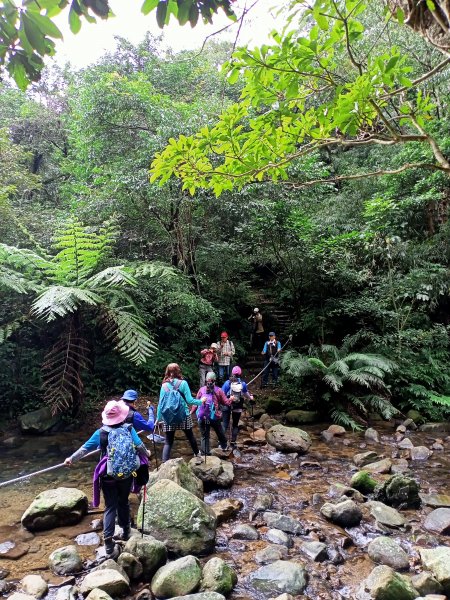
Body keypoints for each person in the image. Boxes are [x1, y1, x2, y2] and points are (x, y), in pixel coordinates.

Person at [64, 400, 150, 558]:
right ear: (121, 416)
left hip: (108, 475)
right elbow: (140, 447)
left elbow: (84, 449)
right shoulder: (129, 429)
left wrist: (71, 458)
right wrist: (147, 454)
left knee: (110, 506)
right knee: (123, 501)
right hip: (126, 474)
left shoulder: (101, 433)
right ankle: (126, 531)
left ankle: (109, 543)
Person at [158, 363, 203, 463]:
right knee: (190, 436)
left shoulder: (164, 386)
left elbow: (160, 404)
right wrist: (201, 401)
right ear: (178, 371)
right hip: (184, 415)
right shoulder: (183, 383)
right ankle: (197, 455)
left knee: (168, 441)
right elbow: (190, 400)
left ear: (168, 372)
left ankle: (164, 463)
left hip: (168, 417)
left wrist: (159, 418)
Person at [195, 371, 232, 455]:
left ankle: (205, 453)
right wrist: (231, 399)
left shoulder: (201, 389)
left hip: (202, 417)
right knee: (220, 432)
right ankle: (224, 446)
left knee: (204, 436)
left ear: (206, 381)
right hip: (214, 417)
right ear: (214, 380)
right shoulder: (219, 390)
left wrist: (191, 412)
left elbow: (196, 403)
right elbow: (226, 402)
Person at [222, 365, 254, 447]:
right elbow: (246, 395)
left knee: (225, 424)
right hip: (237, 406)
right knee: (235, 425)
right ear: (240, 374)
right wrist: (251, 398)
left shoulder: (227, 383)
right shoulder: (243, 384)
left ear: (232, 373)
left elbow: (221, 394)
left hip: (227, 405)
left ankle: (221, 442)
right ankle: (233, 442)